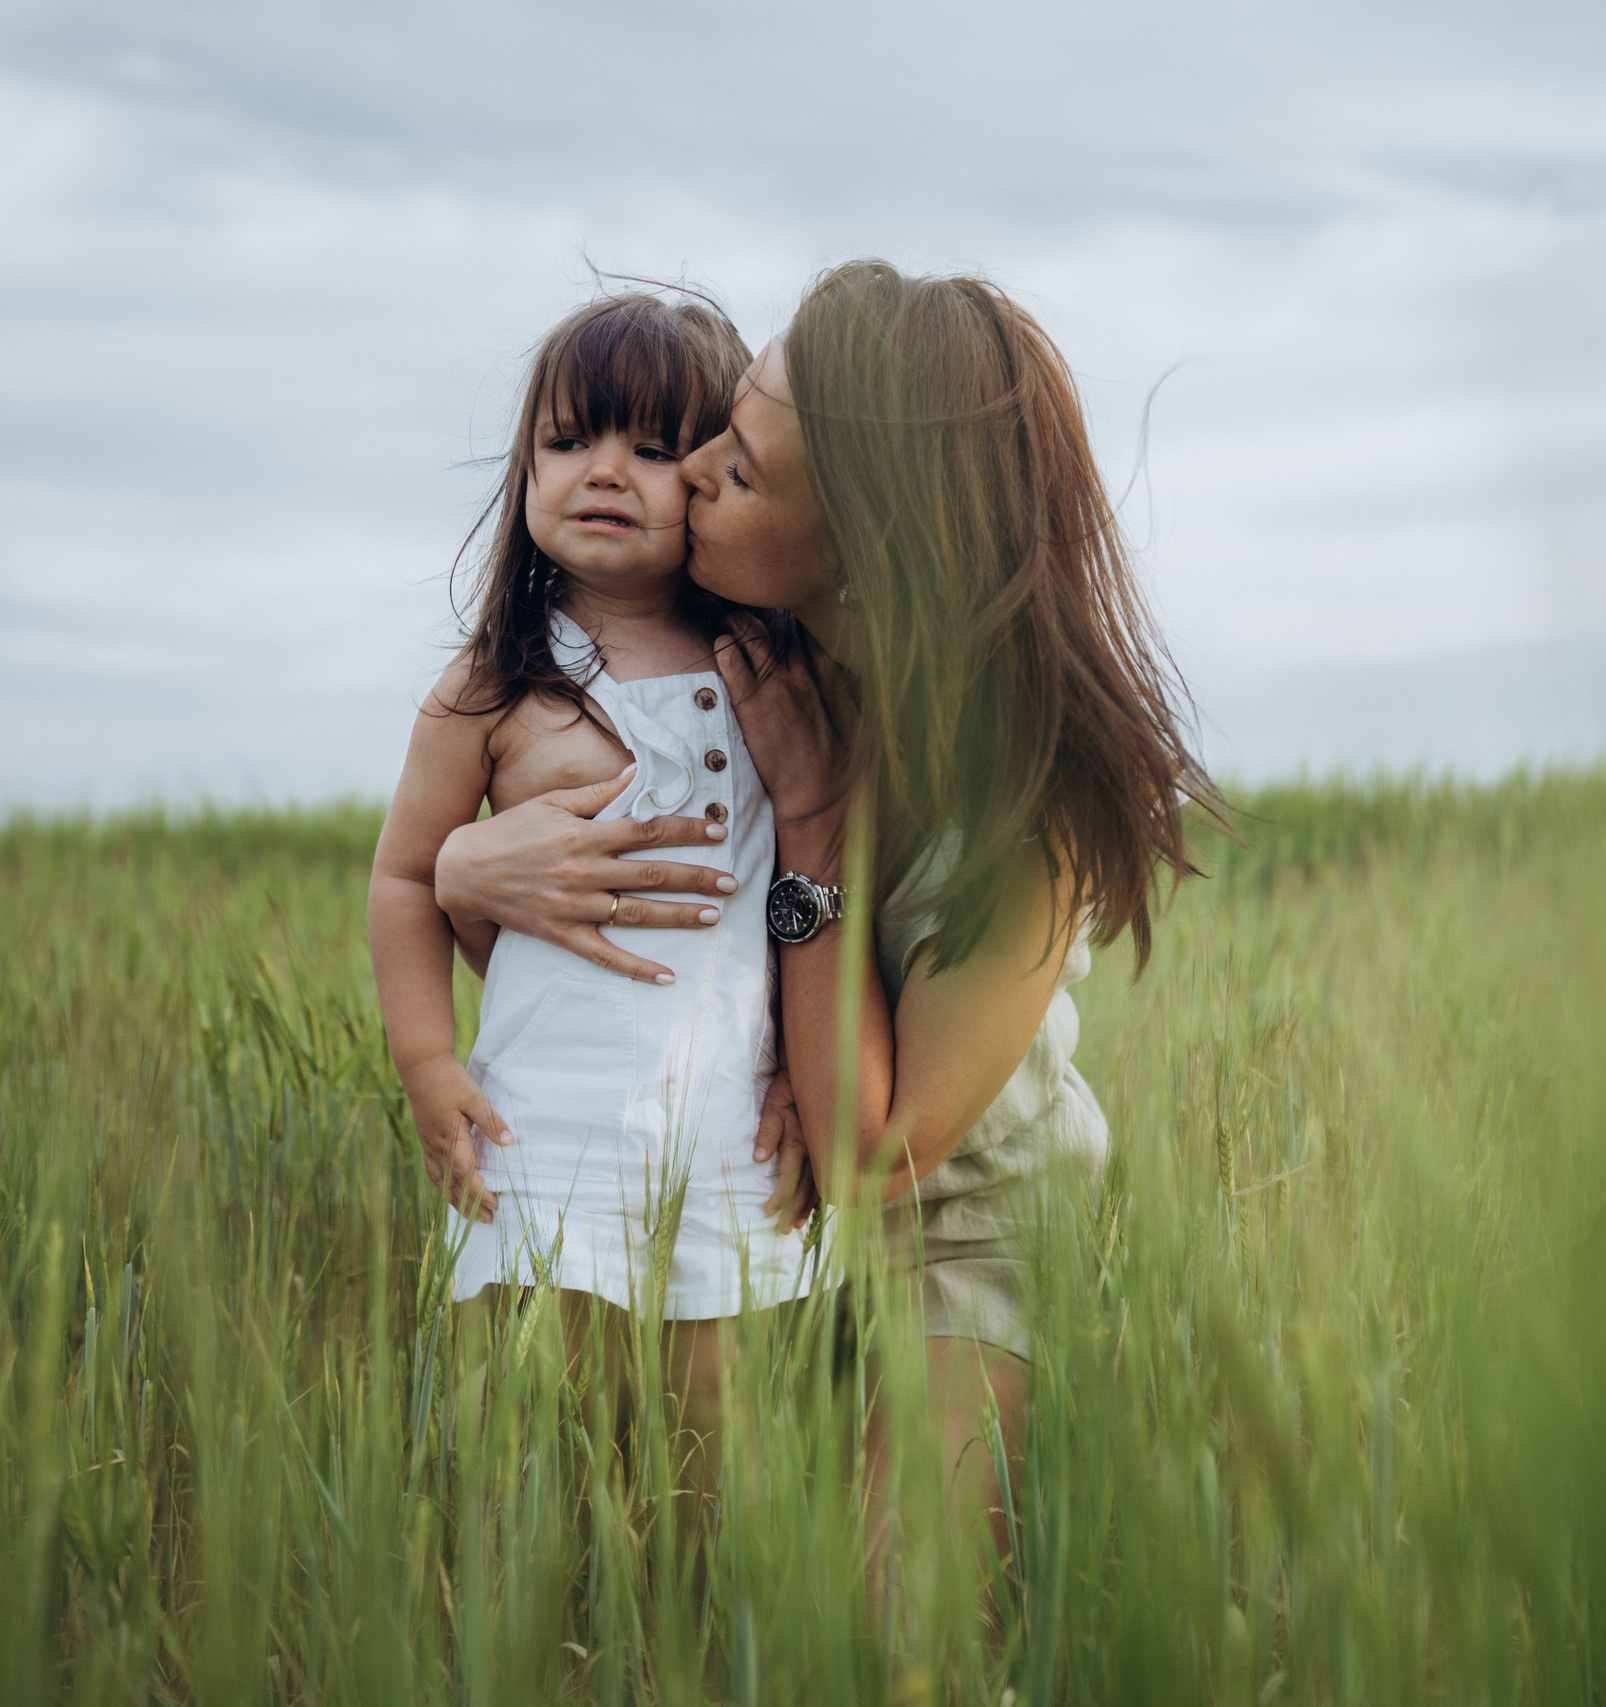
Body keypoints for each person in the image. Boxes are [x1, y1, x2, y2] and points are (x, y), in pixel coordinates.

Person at [432, 259, 1215, 1591]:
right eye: (722, 427)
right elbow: (628, 952)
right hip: (738, 1211)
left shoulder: (1027, 799)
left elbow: (870, 1149)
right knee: (650, 1579)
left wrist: (810, 831)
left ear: (863, 526)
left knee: (864, 1628)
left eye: (739, 461)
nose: (696, 473)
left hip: (941, 1245)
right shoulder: (745, 656)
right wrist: (462, 864)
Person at [365, 291, 891, 1476]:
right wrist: (427, 1061)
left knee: (717, 1452)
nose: (605, 470)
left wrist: (814, 1079)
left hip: (727, 1128)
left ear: (713, 473)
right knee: (527, 1447)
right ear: (525, 466)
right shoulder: (492, 683)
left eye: (653, 448)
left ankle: (688, 1655)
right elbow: (404, 876)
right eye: (569, 441)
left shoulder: (778, 671)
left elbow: (835, 876)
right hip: (538, 1122)